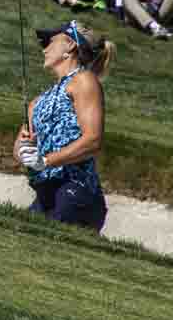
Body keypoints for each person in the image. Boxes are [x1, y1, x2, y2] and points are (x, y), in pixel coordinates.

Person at [16, 21, 113, 231]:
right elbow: (19, 147)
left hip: (75, 191)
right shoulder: (38, 101)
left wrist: (45, 160)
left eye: (50, 42)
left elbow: (93, 140)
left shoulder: (84, 81)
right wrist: (24, 150)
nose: (45, 48)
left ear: (70, 45)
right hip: (45, 194)